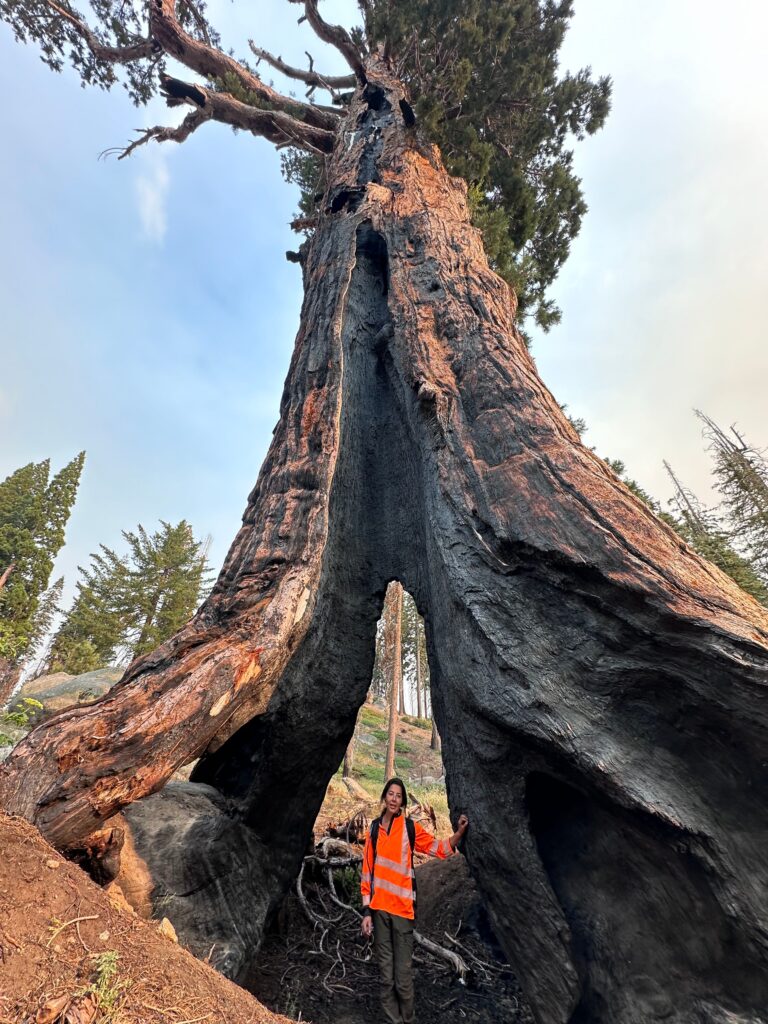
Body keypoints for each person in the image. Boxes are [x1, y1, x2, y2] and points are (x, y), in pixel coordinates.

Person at [360, 776, 469, 1024]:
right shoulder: (374, 829)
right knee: (386, 979)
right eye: (391, 794)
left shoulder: (409, 828)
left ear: (403, 801)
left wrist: (459, 833)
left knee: (403, 979)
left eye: (399, 796)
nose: (394, 799)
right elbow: (367, 872)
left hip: (402, 913)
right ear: (384, 796)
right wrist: (366, 912)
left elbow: (437, 848)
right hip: (378, 912)